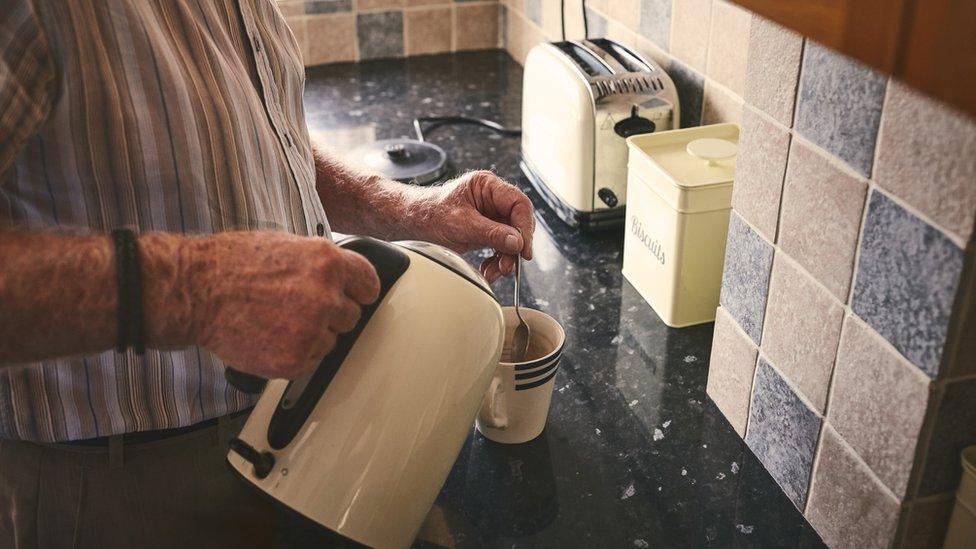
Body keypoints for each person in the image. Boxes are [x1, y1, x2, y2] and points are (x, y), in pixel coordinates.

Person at [0, 1, 535, 547]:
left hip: (282, 432)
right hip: (119, 487)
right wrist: (196, 290)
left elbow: (261, 139)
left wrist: (412, 210)